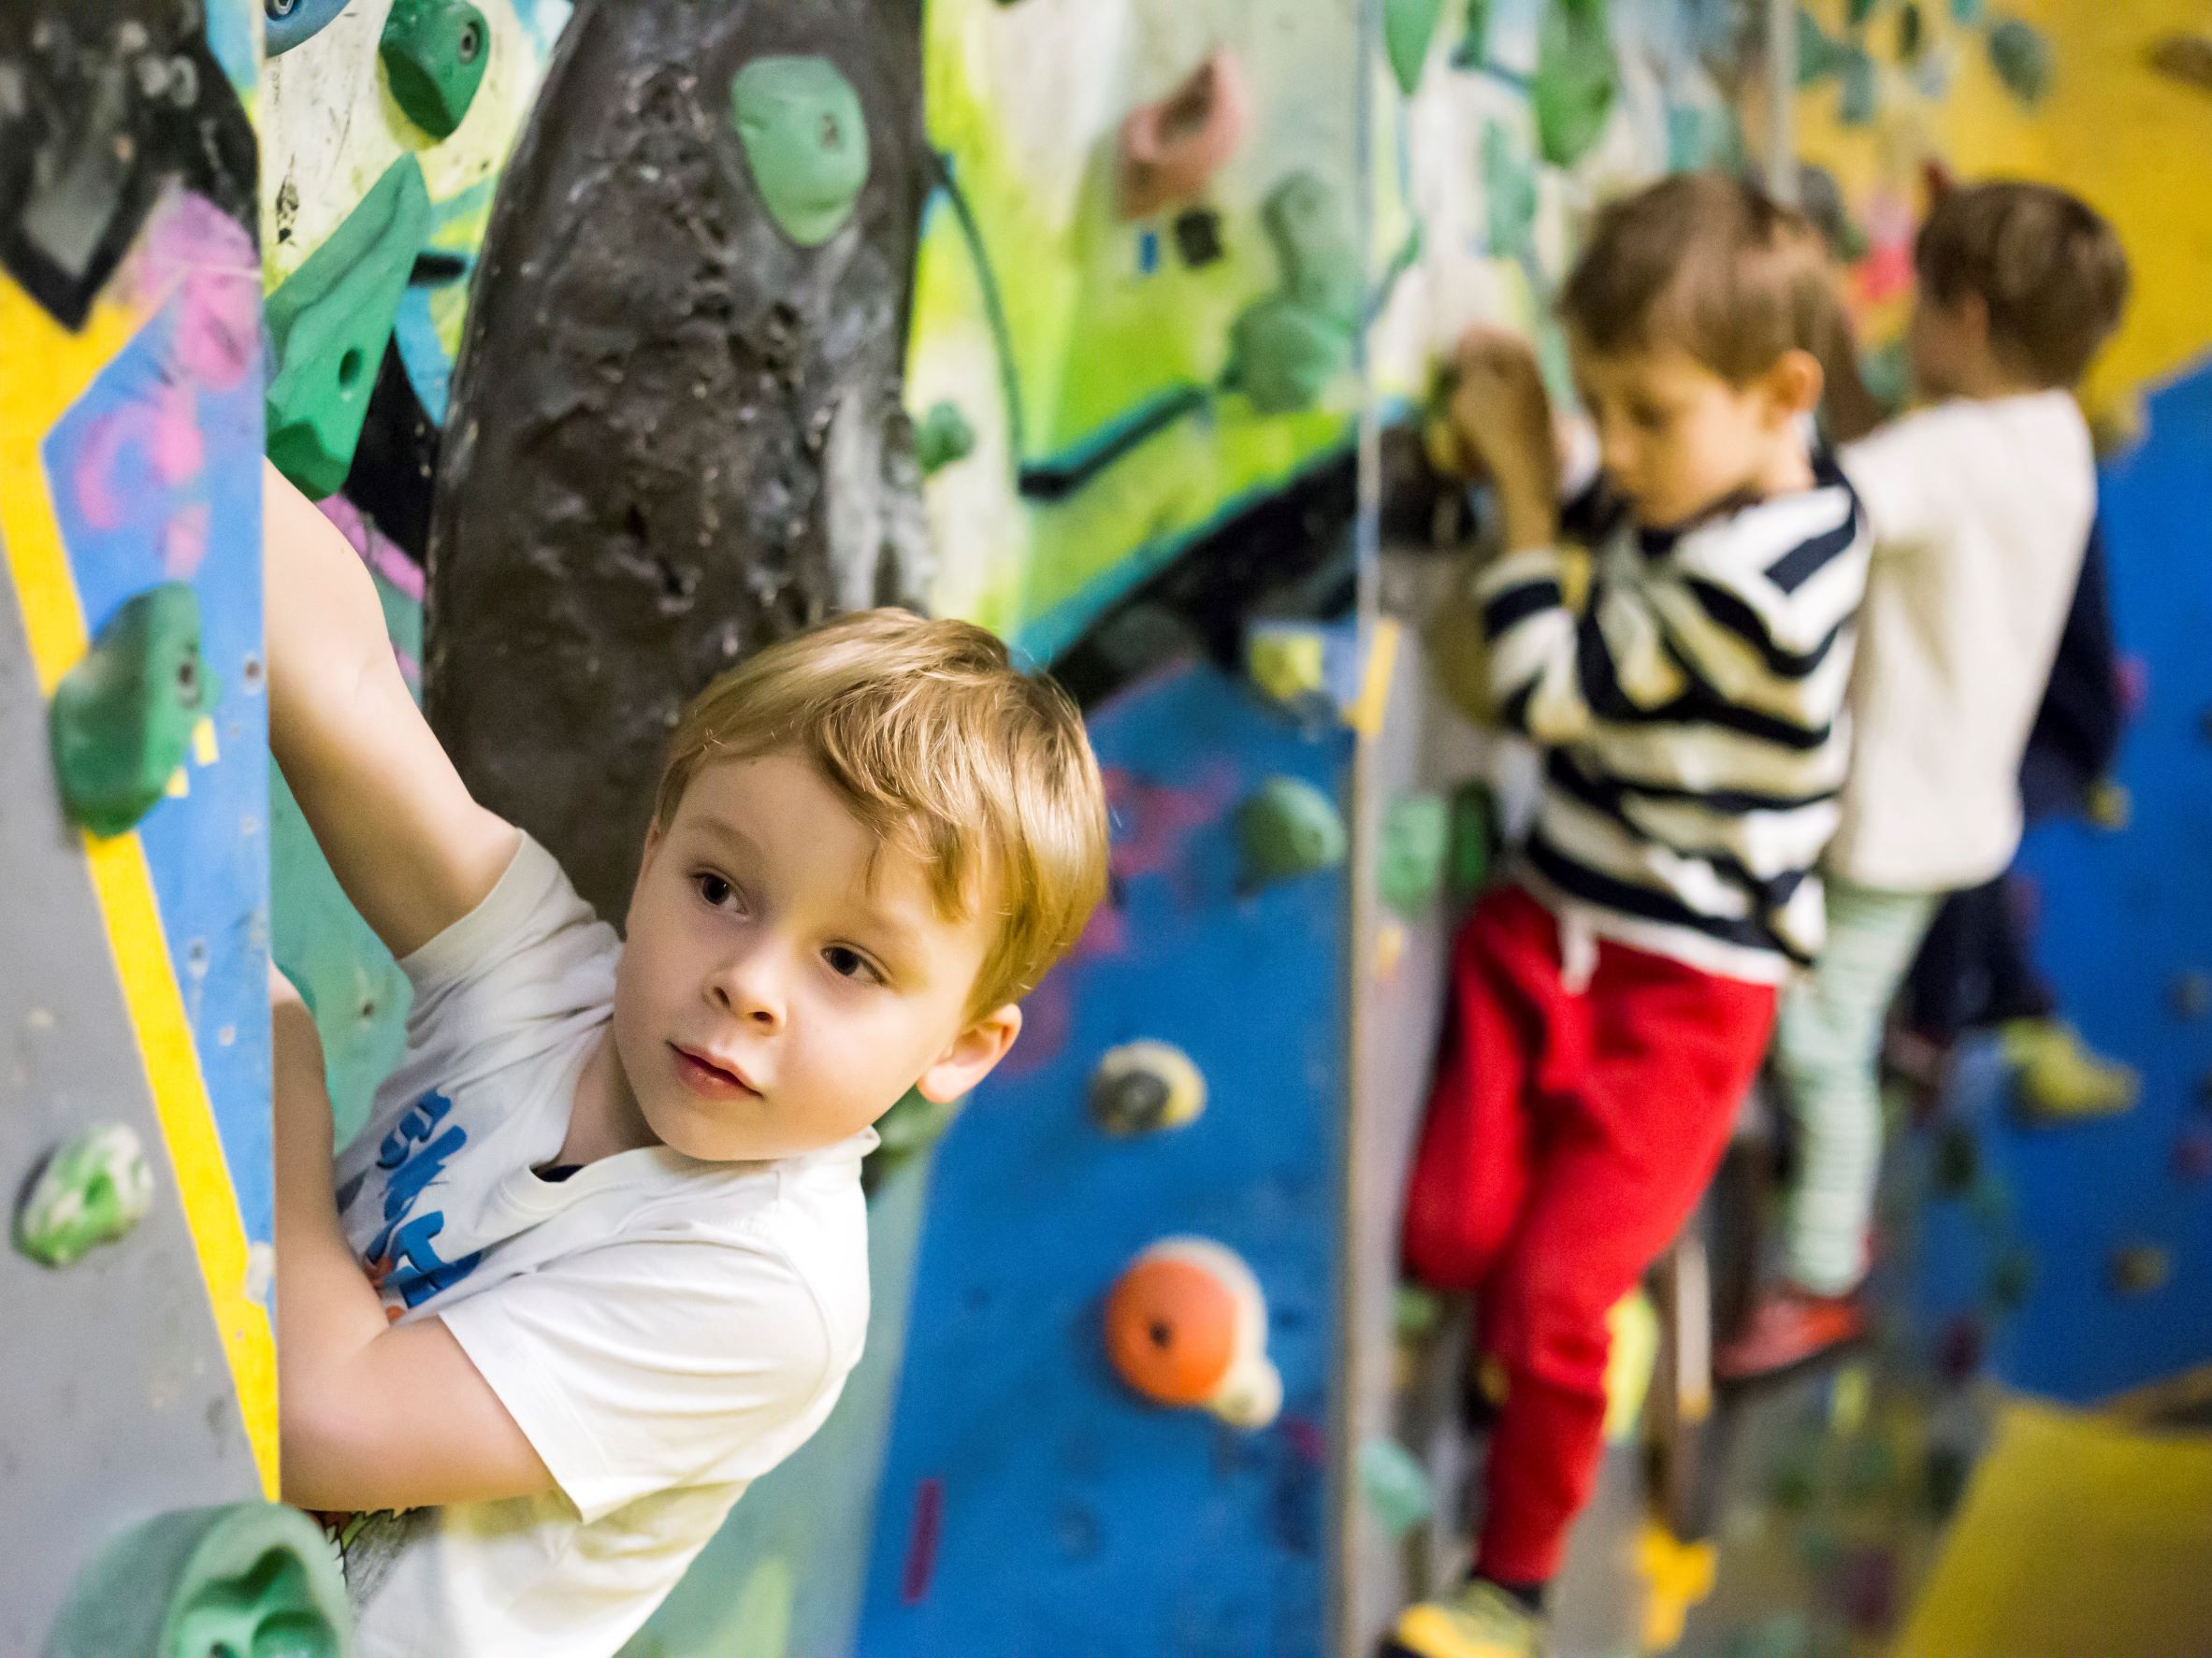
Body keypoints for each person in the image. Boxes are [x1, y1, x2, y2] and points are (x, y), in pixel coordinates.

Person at [263, 464, 1109, 1657]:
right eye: (718, 888)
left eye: (852, 964)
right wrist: (149, 371)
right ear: (657, 846)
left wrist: (281, 1067)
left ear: (962, 1048)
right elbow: (343, 684)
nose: (749, 984)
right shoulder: (548, 987)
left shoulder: (769, 1291)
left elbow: (317, 1424)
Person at [1386, 172, 1870, 1658]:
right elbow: (1607, 520)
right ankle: (1584, 1324)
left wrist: (1527, 489)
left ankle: (1511, 1586)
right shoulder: (1716, 468)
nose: (1617, 452)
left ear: (1782, 396)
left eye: (1646, 415)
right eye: (1600, 407)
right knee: (1449, 1242)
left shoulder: (1767, 587)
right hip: (1546, 929)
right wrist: (1558, 467)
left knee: (1541, 1303)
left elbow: (1545, 690)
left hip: (1685, 995)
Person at [1713, 181, 2131, 1383]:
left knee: (1816, 1042)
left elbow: (1820, 501)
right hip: (1950, 810)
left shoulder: (1947, 456)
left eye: (1920, 313)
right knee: (1828, 1022)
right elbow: (1889, 451)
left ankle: (1819, 1277)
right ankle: (1812, 1209)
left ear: (1965, 312)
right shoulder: (2045, 429)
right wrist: (1834, 352)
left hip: (1880, 821)